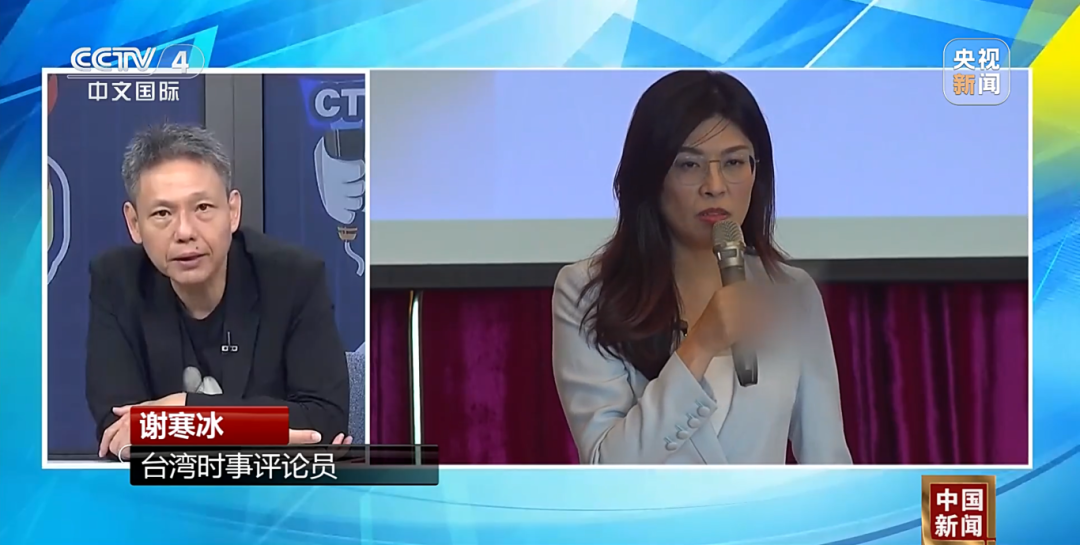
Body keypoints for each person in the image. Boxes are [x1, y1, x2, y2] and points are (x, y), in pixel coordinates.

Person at [552, 71, 852, 465]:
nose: (714, 185)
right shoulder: (588, 291)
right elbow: (606, 464)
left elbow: (827, 460)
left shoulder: (791, 293)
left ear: (756, 172)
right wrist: (702, 343)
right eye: (689, 165)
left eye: (734, 162)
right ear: (650, 176)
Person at [86, 124, 352, 459]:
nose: (184, 232)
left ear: (233, 211)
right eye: (163, 213)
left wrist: (185, 410)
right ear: (135, 223)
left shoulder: (293, 278)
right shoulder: (116, 281)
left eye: (202, 208)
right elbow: (119, 429)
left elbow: (323, 421)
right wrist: (254, 430)